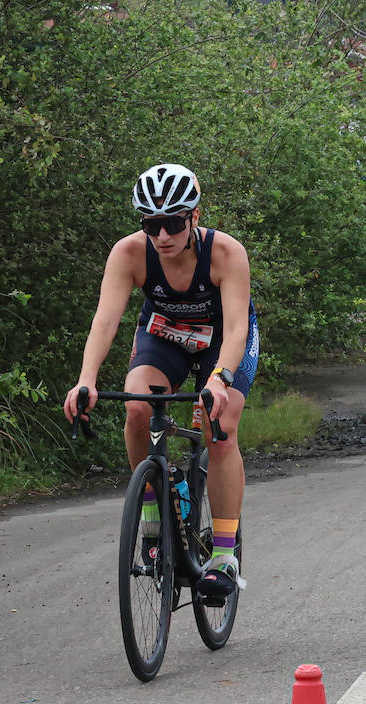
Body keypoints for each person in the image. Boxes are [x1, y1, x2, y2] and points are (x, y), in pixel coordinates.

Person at [64, 163, 258, 599]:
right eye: (152, 224)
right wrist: (86, 380)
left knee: (219, 428)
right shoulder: (129, 253)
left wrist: (221, 380)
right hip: (164, 335)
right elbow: (106, 318)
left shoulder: (227, 253)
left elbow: (238, 329)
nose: (163, 236)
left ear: (193, 216)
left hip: (221, 341)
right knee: (136, 409)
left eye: (172, 223)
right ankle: (153, 517)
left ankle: (224, 556)